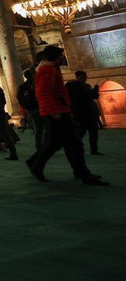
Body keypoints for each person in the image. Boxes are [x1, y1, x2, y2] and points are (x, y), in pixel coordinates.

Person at [27, 46, 107, 186]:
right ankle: (83, 174)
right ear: (56, 57)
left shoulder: (50, 68)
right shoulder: (47, 70)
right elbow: (43, 92)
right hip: (56, 112)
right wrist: (54, 111)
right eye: (61, 55)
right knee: (74, 144)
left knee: (57, 144)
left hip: (58, 111)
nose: (63, 58)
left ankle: (36, 165)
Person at [66, 70, 103, 155]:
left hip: (90, 112)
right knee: (80, 132)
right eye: (82, 77)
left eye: (85, 77)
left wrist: (95, 90)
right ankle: (75, 149)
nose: (84, 79)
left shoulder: (86, 86)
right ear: (77, 77)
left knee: (94, 132)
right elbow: (73, 97)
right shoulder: (72, 85)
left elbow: (94, 96)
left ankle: (94, 150)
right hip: (80, 113)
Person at [17, 69, 42, 149]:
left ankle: (41, 145)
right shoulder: (27, 86)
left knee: (38, 128)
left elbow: (19, 97)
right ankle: (40, 146)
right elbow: (19, 97)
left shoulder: (25, 86)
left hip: (34, 108)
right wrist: (25, 106)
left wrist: (25, 106)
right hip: (34, 108)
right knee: (39, 128)